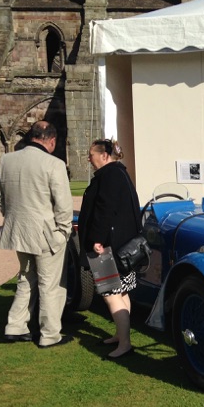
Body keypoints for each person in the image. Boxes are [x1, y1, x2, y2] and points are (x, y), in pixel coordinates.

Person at [0, 120, 74, 347]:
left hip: (18, 230)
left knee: (26, 278)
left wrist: (14, 220)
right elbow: (64, 205)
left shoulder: (6, 160)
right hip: (47, 233)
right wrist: (63, 232)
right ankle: (49, 335)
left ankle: (15, 326)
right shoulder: (54, 163)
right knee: (50, 284)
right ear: (51, 140)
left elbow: (0, 199)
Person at [79, 139, 141, 360]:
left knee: (111, 294)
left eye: (91, 154)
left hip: (109, 248)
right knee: (121, 292)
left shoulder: (110, 175)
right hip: (122, 246)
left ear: (104, 156)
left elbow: (104, 210)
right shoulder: (119, 173)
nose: (89, 158)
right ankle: (121, 335)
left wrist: (96, 239)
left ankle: (124, 343)